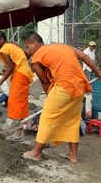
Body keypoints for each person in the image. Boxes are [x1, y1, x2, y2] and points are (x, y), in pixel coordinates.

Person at [22, 32, 101, 163]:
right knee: (72, 120)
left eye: (28, 47)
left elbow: (44, 81)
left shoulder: (36, 58)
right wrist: (98, 72)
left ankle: (35, 153)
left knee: (47, 117)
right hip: (79, 86)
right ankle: (73, 155)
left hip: (63, 87)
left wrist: (50, 97)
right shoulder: (61, 46)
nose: (28, 51)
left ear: (35, 44)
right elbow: (83, 56)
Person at [0, 31, 34, 141]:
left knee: (15, 101)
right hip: (24, 73)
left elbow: (9, 68)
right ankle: (20, 128)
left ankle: (18, 132)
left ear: (2, 40)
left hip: (20, 74)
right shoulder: (11, 45)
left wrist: (0, 82)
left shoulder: (4, 49)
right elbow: (28, 54)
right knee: (20, 100)